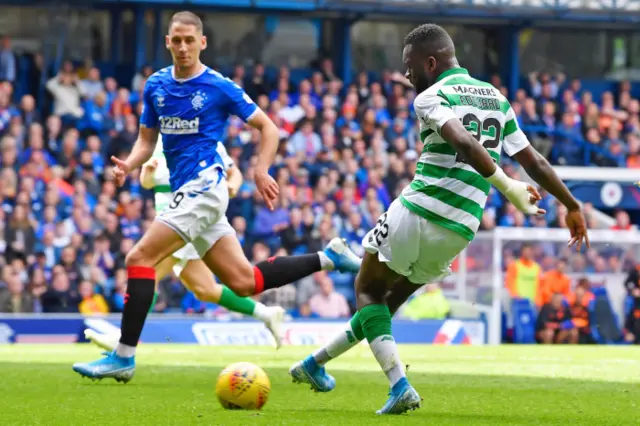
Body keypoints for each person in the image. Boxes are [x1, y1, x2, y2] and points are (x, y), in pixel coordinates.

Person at [289, 23, 589, 415]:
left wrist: (508, 187)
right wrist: (571, 205)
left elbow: (463, 142)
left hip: (420, 208)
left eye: (409, 67)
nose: (407, 76)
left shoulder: (432, 96)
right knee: (385, 305)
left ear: (431, 62)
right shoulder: (494, 97)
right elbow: (535, 159)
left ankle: (399, 386)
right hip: (461, 228)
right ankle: (314, 364)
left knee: (367, 292)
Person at [72, 11, 361, 383]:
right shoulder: (155, 86)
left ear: (202, 43)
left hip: (204, 187)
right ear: (167, 42)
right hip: (190, 193)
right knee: (244, 281)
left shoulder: (218, 86)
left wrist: (261, 169)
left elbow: (268, 127)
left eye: (189, 40)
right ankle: (329, 257)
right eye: (176, 40)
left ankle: (124, 357)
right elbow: (147, 140)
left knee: (139, 257)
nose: (182, 47)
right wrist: (128, 165)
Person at [84, 137, 287, 351]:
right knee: (205, 289)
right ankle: (266, 313)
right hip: (167, 223)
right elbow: (147, 182)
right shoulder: (156, 143)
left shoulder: (206, 137)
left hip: (185, 220)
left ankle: (123, 339)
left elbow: (233, 173)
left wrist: (230, 186)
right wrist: (149, 173)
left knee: (147, 271)